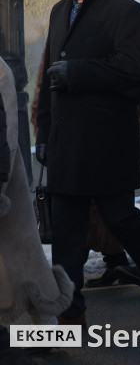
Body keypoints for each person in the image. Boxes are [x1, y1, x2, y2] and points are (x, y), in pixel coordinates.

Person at [35, 0, 140, 325]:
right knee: (66, 233)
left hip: (106, 142)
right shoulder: (60, 11)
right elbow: (48, 79)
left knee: (123, 221)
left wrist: (78, 73)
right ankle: (69, 313)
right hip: (64, 143)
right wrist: (43, 133)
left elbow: (132, 70)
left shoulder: (125, 11)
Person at [1, 54, 73, 329]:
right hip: (6, 181)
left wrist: (1, 185)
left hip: (6, 185)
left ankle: (43, 330)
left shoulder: (1, 71)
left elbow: (5, 133)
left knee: (24, 262)